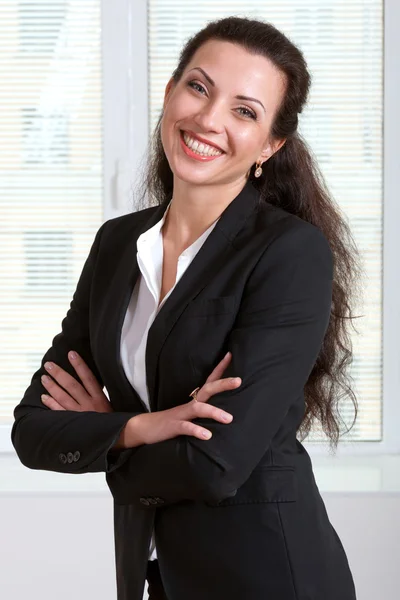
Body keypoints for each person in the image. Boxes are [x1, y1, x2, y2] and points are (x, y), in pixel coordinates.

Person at [10, 15, 361, 600]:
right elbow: (33, 430)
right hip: (151, 578)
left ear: (270, 145)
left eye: (244, 111)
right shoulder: (118, 244)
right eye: (199, 87)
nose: (208, 120)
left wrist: (105, 433)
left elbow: (217, 464)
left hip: (266, 573)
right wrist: (142, 426)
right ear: (171, 91)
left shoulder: (289, 253)